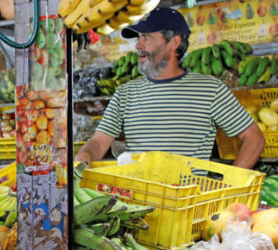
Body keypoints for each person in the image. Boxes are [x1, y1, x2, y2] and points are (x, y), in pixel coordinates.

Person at [75, 7, 265, 169]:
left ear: (174, 42)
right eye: (138, 38)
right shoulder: (125, 93)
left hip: (188, 204)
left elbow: (254, 139)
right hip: (136, 204)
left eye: (147, 37)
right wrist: (85, 156)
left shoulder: (210, 89)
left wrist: (230, 184)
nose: (138, 45)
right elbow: (99, 142)